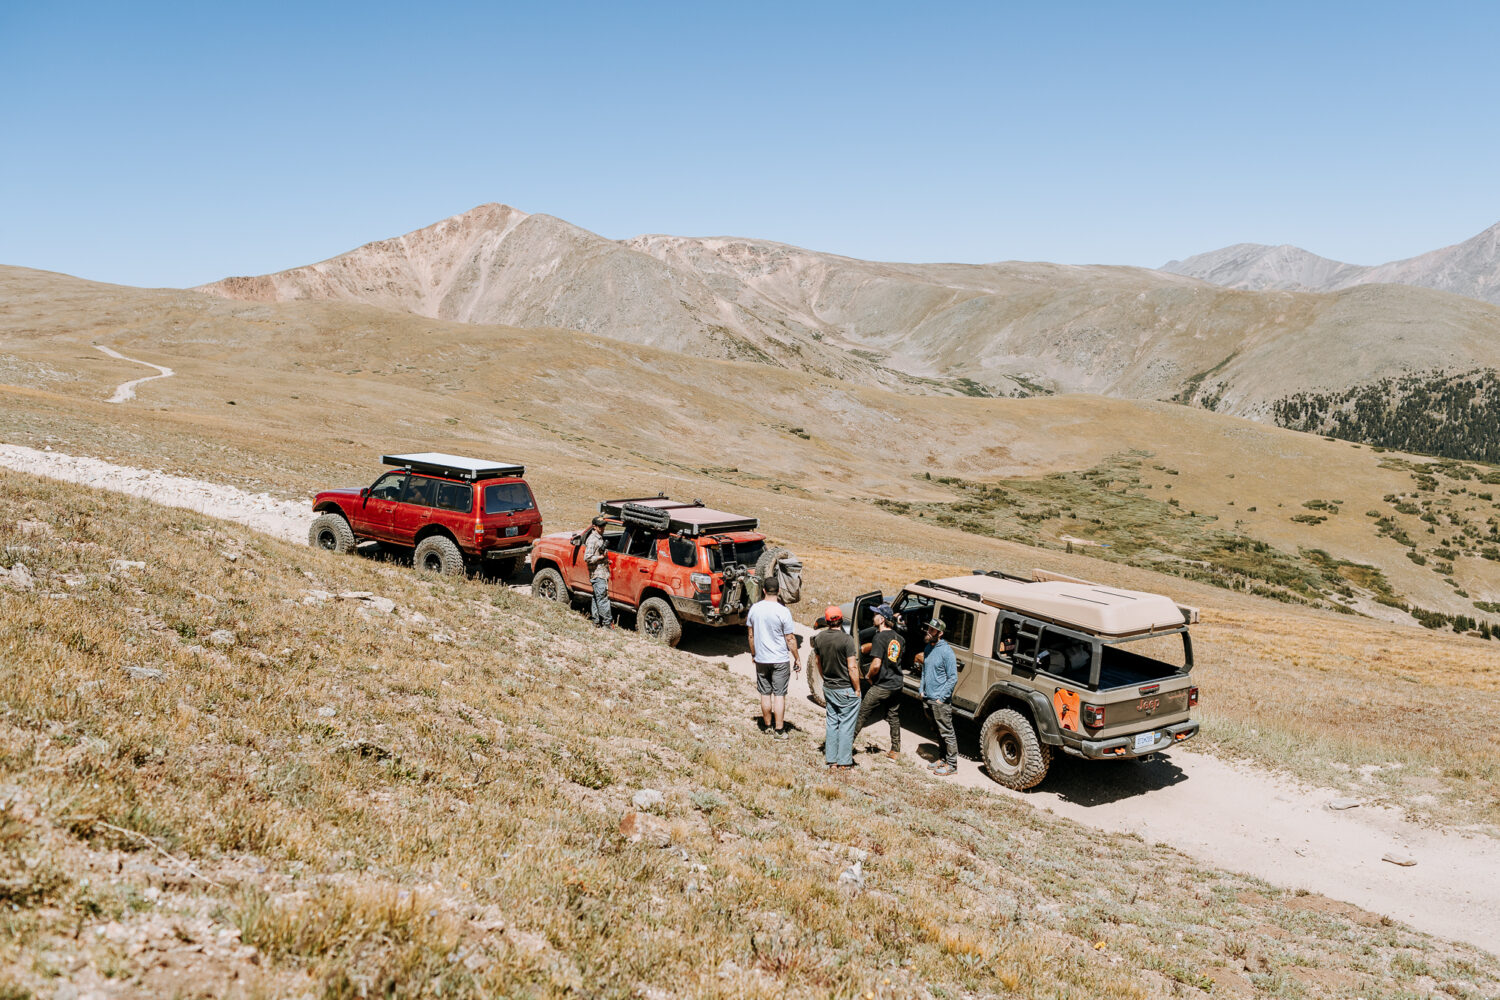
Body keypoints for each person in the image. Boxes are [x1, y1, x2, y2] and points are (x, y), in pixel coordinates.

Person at [746, 578, 799, 739]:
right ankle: (779, 729)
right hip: (780, 659)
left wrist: (754, 653)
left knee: (764, 693)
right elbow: (790, 638)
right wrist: (797, 657)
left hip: (762, 658)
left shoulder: (755, 609)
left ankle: (767, 725)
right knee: (779, 694)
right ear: (779, 591)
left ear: (763, 590)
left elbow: (751, 635)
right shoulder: (783, 611)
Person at [810, 605, 860, 769]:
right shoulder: (847, 640)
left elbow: (818, 662)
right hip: (845, 688)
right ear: (841, 620)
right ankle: (844, 761)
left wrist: (825, 678)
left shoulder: (819, 638)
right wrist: (857, 688)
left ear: (827, 621)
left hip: (829, 687)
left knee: (832, 722)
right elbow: (852, 667)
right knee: (846, 724)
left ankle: (831, 759)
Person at [855, 604, 905, 759]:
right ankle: (895, 750)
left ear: (882, 619)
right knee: (893, 715)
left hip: (883, 684)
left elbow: (876, 664)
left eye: (875, 614)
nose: (873, 617)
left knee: (862, 713)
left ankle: (844, 744)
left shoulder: (879, 637)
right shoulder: (900, 638)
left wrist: (869, 676)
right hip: (896, 683)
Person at [919, 617, 959, 776]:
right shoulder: (929, 648)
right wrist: (921, 688)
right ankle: (942, 758)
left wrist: (941, 698)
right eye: (928, 629)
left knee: (946, 732)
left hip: (939, 701)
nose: (928, 632)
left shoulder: (947, 652)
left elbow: (953, 677)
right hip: (927, 697)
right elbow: (924, 670)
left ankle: (952, 764)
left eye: (932, 630)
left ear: (940, 633)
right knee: (937, 731)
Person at [582, 516, 612, 628]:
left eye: (604, 525)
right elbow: (587, 558)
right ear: (594, 527)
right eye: (600, 526)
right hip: (597, 573)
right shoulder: (592, 540)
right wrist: (600, 557)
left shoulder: (600, 537)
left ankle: (596, 621)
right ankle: (607, 623)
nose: (603, 527)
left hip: (601, 572)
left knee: (596, 597)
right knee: (603, 598)